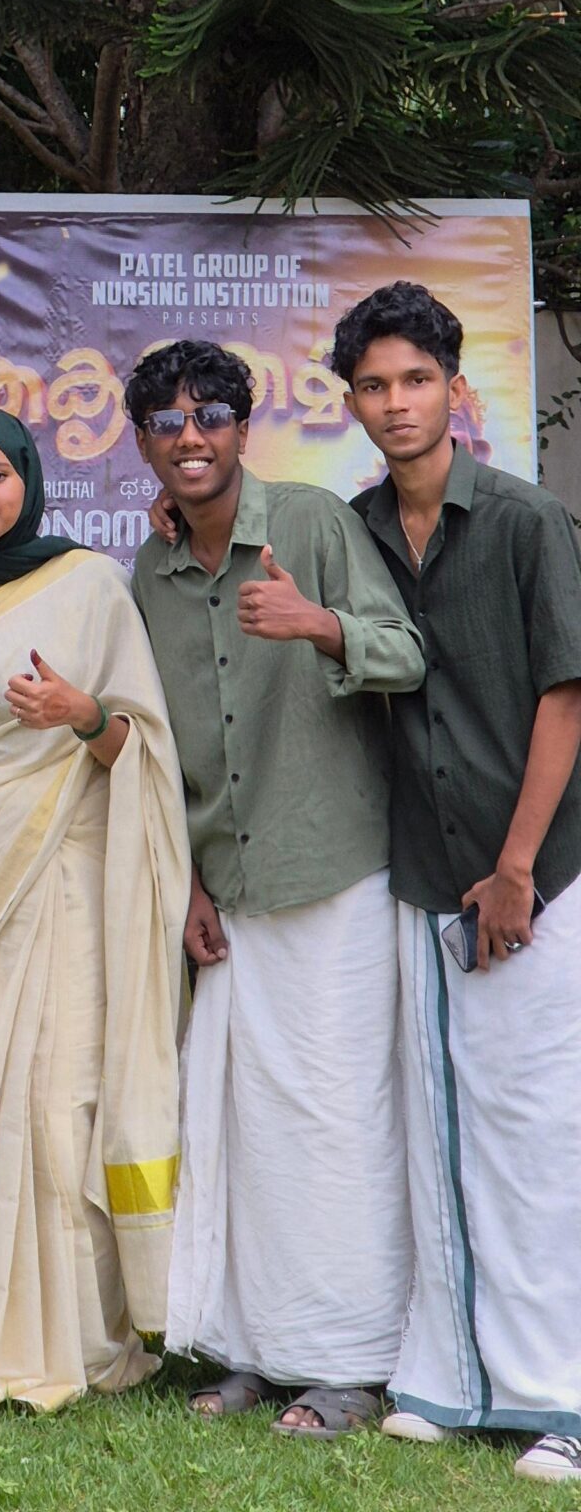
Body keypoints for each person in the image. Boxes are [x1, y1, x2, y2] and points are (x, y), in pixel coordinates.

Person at [127, 338, 425, 1437]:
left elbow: (408, 651)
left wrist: (321, 625)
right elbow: (160, 741)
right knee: (243, 1123)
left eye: (209, 415)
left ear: (243, 430)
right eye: (167, 421)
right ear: (144, 446)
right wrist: (188, 883)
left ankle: (348, 1360)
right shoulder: (151, 569)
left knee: (338, 1121)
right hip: (229, 889)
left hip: (332, 872)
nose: (190, 436)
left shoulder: (311, 524)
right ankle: (256, 1348)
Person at [0, 407, 188, 1413]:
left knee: (64, 1106)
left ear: (28, 479)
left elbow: (139, 750)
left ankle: (85, 1336)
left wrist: (81, 714)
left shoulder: (91, 586)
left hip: (73, 877)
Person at [335, 282, 581, 1478]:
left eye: (416, 379)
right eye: (374, 385)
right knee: (437, 1128)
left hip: (539, 874)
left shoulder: (528, 520)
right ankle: (453, 1378)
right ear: (352, 403)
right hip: (425, 873)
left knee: (542, 1132)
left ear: (455, 388)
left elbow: (565, 696)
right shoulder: (357, 528)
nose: (397, 402)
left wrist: (518, 865)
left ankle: (563, 1398)